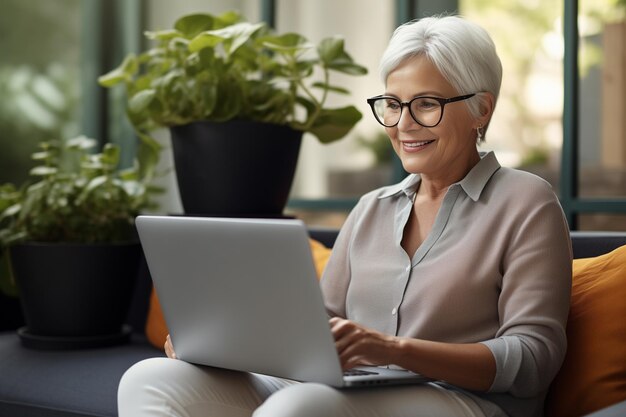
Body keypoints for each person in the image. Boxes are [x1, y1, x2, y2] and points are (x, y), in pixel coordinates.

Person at [118, 15, 572, 417]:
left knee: (300, 407)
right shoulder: (371, 209)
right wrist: (221, 344)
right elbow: (315, 329)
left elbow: (533, 358)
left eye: (427, 104)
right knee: (150, 379)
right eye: (393, 104)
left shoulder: (526, 202)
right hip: (343, 392)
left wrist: (394, 350)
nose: (404, 123)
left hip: (462, 401)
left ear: (481, 109)